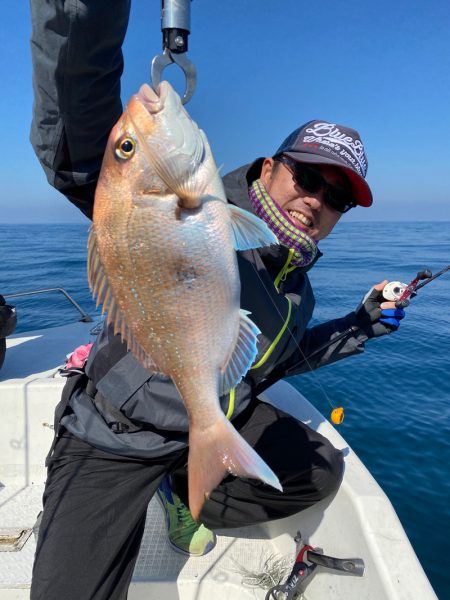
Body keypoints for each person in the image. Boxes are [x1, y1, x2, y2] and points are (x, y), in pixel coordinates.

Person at [29, 3, 406, 599]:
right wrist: (84, 13)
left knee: (318, 470)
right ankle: (173, 479)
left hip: (210, 417)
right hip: (118, 433)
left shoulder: (294, 286)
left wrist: (363, 324)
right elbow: (75, 139)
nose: (316, 201)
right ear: (272, 167)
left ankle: (183, 490)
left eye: (337, 198)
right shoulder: (185, 210)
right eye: (308, 179)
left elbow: (285, 357)